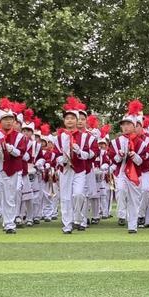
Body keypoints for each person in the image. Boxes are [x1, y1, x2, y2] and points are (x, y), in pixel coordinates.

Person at [0, 98, 27, 234]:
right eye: (5, 119)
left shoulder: (20, 136)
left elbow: (21, 153)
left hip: (12, 169)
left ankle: (9, 224)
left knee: (10, 198)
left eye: (11, 118)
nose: (8, 121)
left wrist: (11, 149)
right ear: (0, 121)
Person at [53, 96, 90, 234]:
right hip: (65, 170)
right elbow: (55, 155)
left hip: (79, 169)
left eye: (72, 118)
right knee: (66, 197)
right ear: (64, 121)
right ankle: (67, 225)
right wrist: (61, 159)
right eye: (67, 118)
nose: (70, 120)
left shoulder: (84, 136)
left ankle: (77, 217)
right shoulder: (58, 137)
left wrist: (79, 151)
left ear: (77, 120)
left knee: (79, 194)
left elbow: (88, 155)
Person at [109, 100, 145, 233]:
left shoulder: (141, 143)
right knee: (121, 191)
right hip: (121, 173)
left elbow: (143, 161)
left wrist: (134, 155)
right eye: (123, 124)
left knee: (134, 200)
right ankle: (122, 214)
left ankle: (132, 226)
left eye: (128, 124)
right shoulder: (115, 142)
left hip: (136, 174)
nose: (125, 127)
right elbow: (113, 158)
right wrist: (119, 155)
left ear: (134, 125)